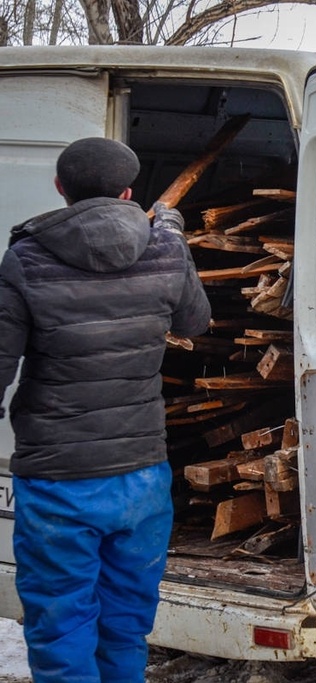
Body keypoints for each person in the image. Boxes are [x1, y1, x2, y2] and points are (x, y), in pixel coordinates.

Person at [0, 138, 211, 682]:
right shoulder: (164, 247)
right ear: (127, 192)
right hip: (141, 478)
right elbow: (194, 322)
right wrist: (173, 236)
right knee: (125, 623)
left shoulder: (26, 258)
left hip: (57, 483)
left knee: (61, 624)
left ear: (59, 189)